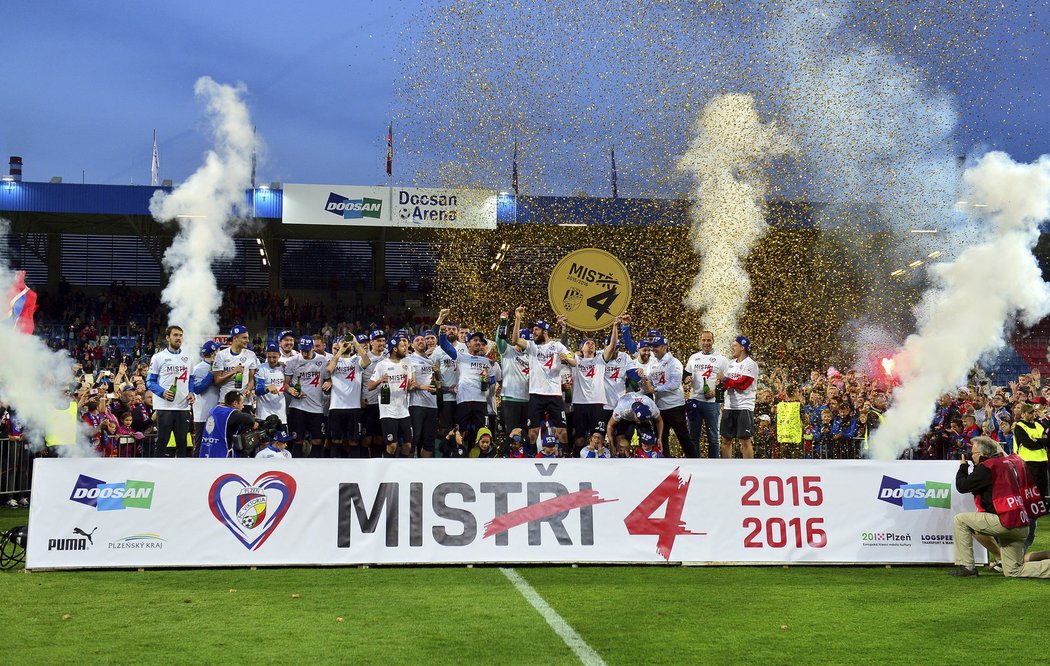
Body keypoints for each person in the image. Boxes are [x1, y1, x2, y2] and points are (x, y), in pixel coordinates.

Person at [950, 436, 1050, 578]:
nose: (971, 456)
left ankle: (967, 567)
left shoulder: (988, 467)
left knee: (960, 520)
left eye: (973, 453)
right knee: (1014, 571)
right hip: (1021, 523)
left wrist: (963, 466)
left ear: (982, 454)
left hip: (1005, 522)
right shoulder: (1008, 462)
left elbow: (962, 486)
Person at [511, 306, 577, 451]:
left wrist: (566, 357)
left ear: (544, 332)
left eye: (536, 330)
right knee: (532, 432)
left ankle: (565, 458)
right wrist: (517, 319)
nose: (533, 332)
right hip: (536, 394)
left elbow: (574, 362)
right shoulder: (532, 346)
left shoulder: (557, 346)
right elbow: (515, 339)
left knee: (562, 432)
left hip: (554, 394)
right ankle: (531, 458)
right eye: (533, 330)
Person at [436, 310, 495, 455]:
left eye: (480, 342)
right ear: (467, 343)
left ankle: (478, 458)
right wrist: (442, 329)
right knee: (460, 432)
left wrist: (489, 380)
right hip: (464, 400)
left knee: (481, 433)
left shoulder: (487, 361)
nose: (479, 344)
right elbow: (444, 345)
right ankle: (460, 455)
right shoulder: (461, 357)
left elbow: (493, 378)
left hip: (481, 401)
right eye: (475, 341)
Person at [146, 325, 194, 457]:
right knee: (162, 442)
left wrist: (191, 392)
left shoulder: (188, 357)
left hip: (183, 407)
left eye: (180, 335)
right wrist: (163, 392)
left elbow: (191, 378)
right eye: (175, 335)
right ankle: (157, 474)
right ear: (168, 337)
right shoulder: (158, 357)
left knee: (182, 443)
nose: (178, 338)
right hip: (164, 407)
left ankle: (181, 473)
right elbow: (149, 382)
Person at [570, 325, 619, 454]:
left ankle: (599, 463)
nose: (591, 345)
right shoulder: (575, 360)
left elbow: (613, 346)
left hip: (597, 403)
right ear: (582, 348)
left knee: (599, 437)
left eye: (593, 343)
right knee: (579, 437)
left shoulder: (600, 359)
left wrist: (615, 326)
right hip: (580, 403)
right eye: (588, 343)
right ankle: (577, 461)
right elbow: (562, 352)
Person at [367, 333, 415, 457]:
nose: (406, 348)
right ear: (394, 349)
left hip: (404, 411)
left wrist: (412, 386)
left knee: (408, 446)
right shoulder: (382, 365)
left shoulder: (407, 364)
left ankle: (401, 472)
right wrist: (380, 380)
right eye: (402, 346)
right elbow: (370, 386)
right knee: (392, 445)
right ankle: (388, 472)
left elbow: (408, 386)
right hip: (388, 412)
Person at [644, 334, 692, 458]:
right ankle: (665, 465)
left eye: (656, 347)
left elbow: (675, 384)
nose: (653, 349)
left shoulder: (674, 362)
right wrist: (643, 379)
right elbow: (648, 381)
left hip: (675, 406)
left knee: (683, 437)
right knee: (661, 439)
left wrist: (654, 389)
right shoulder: (652, 364)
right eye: (652, 347)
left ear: (664, 347)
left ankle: (694, 463)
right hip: (659, 408)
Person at [684, 330, 728, 459]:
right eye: (704, 340)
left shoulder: (722, 359)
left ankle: (714, 464)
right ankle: (695, 464)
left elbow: (726, 383)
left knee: (714, 437)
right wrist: (686, 380)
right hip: (695, 401)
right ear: (700, 341)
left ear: (713, 341)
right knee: (693, 436)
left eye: (709, 340)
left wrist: (716, 394)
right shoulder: (693, 357)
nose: (706, 343)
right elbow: (686, 375)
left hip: (712, 403)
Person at [327, 334, 371, 458]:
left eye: (347, 342)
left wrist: (356, 343)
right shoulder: (334, 360)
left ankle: (355, 472)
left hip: (354, 407)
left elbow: (367, 361)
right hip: (336, 407)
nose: (346, 344)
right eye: (342, 342)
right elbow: (329, 369)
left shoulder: (356, 360)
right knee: (336, 441)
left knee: (354, 441)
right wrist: (340, 351)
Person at [284, 336, 330, 457]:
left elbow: (327, 379)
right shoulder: (293, 361)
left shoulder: (322, 360)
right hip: (298, 407)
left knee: (318, 440)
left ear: (312, 348)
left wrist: (328, 382)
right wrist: (291, 390)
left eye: (307, 350)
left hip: (317, 407)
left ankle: (314, 470)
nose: (304, 353)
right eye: (302, 350)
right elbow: (285, 383)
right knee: (297, 440)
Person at [1011, 403, 1047, 551]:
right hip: (1026, 463)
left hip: (1042, 462)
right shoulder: (1019, 426)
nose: (1033, 415)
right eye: (1030, 413)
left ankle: (1031, 524)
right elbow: (1027, 444)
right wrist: (1040, 441)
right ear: (1024, 413)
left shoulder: (1039, 425)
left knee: (1040, 498)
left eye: (1033, 412)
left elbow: (1046, 441)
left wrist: (1036, 440)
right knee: (1027, 496)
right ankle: (1024, 529)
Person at [720, 336, 759, 459]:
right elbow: (725, 385)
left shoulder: (750, 364)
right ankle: (726, 467)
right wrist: (717, 390)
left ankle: (748, 470)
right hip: (729, 406)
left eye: (735, 345)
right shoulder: (730, 364)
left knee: (745, 441)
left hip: (744, 407)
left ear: (743, 347)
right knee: (726, 440)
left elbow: (743, 385)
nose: (732, 347)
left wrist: (725, 379)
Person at [198, 391, 257, 458]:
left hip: (206, 452)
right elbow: (249, 419)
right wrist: (253, 423)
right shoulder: (231, 413)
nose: (243, 406)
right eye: (242, 403)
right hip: (221, 455)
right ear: (235, 403)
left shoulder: (214, 409)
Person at [212, 325, 258, 405]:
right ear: (235, 338)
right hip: (225, 400)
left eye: (247, 338)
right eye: (244, 338)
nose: (247, 340)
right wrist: (233, 372)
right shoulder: (221, 355)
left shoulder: (251, 355)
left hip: (244, 401)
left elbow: (251, 379)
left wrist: (249, 389)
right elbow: (217, 380)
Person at [190, 340, 221, 453]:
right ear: (213, 353)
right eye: (218, 350)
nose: (220, 352)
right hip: (202, 414)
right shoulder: (199, 368)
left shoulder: (219, 367)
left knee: (214, 445)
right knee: (201, 445)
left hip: (215, 412)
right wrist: (210, 375)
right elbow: (197, 389)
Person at [254, 344, 288, 427]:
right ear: (266, 355)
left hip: (281, 414)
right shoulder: (261, 369)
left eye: (274, 357)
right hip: (263, 414)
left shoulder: (284, 368)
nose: (271, 360)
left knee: (282, 440)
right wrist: (267, 388)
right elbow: (257, 390)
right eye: (269, 357)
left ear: (279, 356)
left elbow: (288, 384)